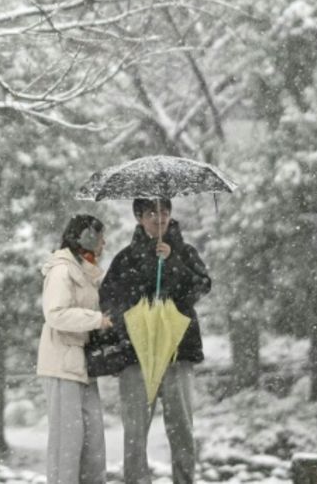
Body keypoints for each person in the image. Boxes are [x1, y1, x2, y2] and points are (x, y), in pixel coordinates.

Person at [100, 198, 213, 484]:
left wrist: (172, 262)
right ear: (139, 218)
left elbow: (200, 286)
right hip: (136, 356)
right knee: (135, 431)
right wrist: (135, 318)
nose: (159, 218)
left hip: (178, 352)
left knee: (182, 427)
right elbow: (109, 299)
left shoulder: (185, 252)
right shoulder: (125, 258)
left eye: (164, 211)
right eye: (151, 213)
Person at [37, 214, 114, 484]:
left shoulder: (87, 272)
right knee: (66, 446)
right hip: (61, 366)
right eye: (100, 236)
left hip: (82, 365)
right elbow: (55, 314)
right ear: (87, 238)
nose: (105, 242)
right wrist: (96, 320)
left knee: (92, 444)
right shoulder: (62, 270)